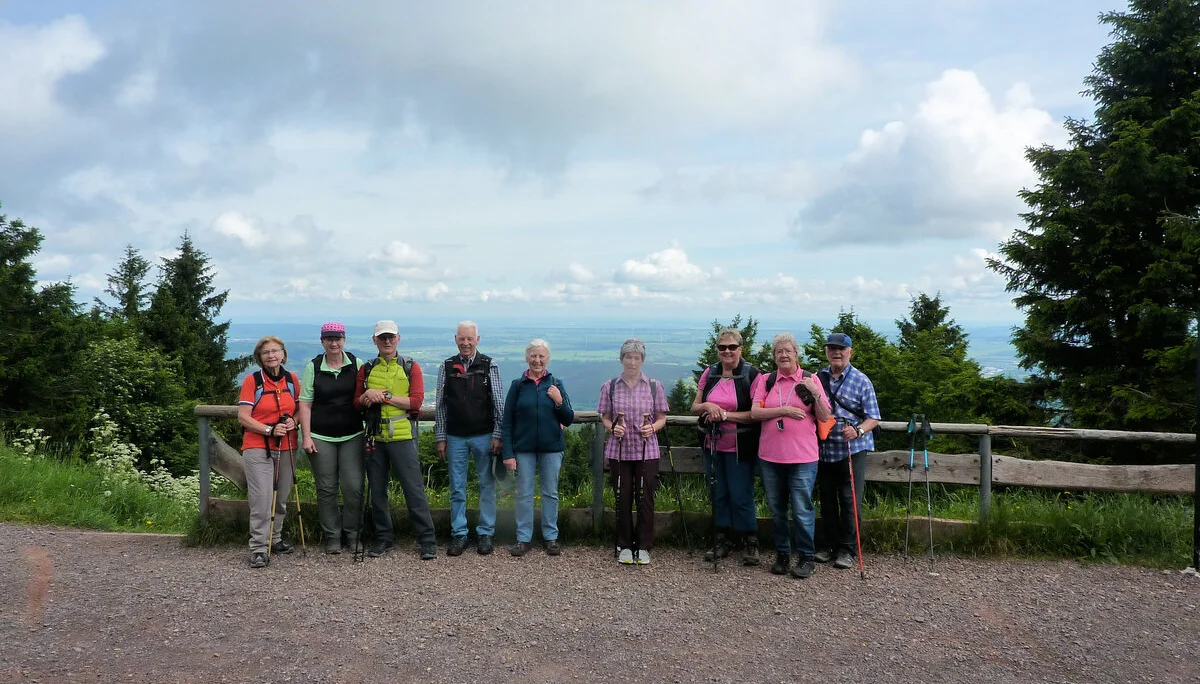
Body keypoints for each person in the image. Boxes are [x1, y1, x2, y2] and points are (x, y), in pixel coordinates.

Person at [750, 333, 832, 578]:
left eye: (788, 351)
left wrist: (815, 394)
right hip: (770, 456)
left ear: (797, 354)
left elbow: (825, 416)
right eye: (779, 352)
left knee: (801, 509)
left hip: (803, 457)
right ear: (774, 356)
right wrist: (784, 410)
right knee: (777, 509)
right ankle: (783, 554)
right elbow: (755, 413)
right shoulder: (766, 380)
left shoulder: (810, 379)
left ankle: (806, 557)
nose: (783, 355)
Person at [354, 320, 436, 560]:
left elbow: (416, 402)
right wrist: (366, 397)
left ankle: (427, 540)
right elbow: (356, 403)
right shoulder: (367, 368)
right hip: (375, 435)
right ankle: (383, 538)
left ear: (398, 338)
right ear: (375, 341)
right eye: (382, 338)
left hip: (402, 435)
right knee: (377, 490)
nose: (387, 341)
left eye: (391, 337)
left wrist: (384, 396)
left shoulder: (411, 366)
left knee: (414, 489)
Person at [690, 328, 762, 566]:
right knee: (718, 492)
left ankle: (750, 540)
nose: (727, 351)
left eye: (732, 347)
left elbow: (756, 413)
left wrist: (726, 415)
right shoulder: (710, 373)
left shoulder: (752, 374)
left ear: (741, 348)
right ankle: (723, 538)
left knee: (741, 493)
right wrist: (709, 406)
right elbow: (694, 407)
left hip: (741, 445)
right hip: (713, 444)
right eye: (722, 348)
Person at [435, 321, 507, 556]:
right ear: (456, 339)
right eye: (461, 339)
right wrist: (441, 437)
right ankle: (459, 534)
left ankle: (485, 533)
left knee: (487, 485)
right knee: (457, 487)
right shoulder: (446, 366)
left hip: (484, 435)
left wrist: (498, 434)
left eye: (470, 339)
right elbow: (441, 406)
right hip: (455, 436)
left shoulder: (489, 365)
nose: (465, 343)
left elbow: (498, 402)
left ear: (477, 339)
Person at [501, 338, 575, 556]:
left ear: (548, 359)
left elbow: (568, 418)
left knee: (550, 493)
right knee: (524, 493)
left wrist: (559, 401)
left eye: (541, 356)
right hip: (523, 448)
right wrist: (508, 453)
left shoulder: (556, 384)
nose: (537, 360)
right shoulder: (518, 385)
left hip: (551, 448)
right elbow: (507, 422)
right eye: (533, 355)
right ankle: (523, 538)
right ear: (527, 358)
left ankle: (551, 537)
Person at [599, 338, 669, 565]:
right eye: (628, 357)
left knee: (645, 499)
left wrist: (653, 427)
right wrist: (612, 427)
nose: (631, 362)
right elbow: (605, 417)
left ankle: (644, 546)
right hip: (619, 450)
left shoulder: (653, 386)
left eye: (636, 358)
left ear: (642, 361)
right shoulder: (610, 386)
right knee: (623, 498)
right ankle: (624, 545)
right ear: (621, 360)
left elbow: (661, 418)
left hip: (647, 451)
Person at [297, 322, 365, 555]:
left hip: (353, 434)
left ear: (344, 340)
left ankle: (353, 534)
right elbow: (305, 403)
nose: (334, 343)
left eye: (338, 338)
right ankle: (332, 536)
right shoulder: (313, 367)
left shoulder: (356, 364)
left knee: (354, 487)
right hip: (320, 435)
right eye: (329, 339)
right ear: (322, 341)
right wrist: (305, 436)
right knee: (326, 488)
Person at [815, 332, 881, 569]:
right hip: (824, 449)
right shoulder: (817, 379)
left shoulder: (861, 380)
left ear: (850, 352)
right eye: (832, 348)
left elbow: (873, 417)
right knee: (827, 501)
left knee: (850, 500)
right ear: (826, 352)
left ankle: (848, 549)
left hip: (853, 449)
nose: (836, 352)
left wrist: (858, 431)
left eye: (841, 349)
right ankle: (829, 545)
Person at [237, 336, 301, 569]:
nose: (271, 356)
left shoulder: (292, 380)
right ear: (260, 358)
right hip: (257, 446)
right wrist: (268, 430)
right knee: (262, 499)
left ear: (283, 354)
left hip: (287, 445)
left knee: (281, 497)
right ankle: (259, 548)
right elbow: (243, 416)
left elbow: (300, 409)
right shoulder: (252, 381)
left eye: (275, 351)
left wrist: (293, 421)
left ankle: (275, 539)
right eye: (266, 353)